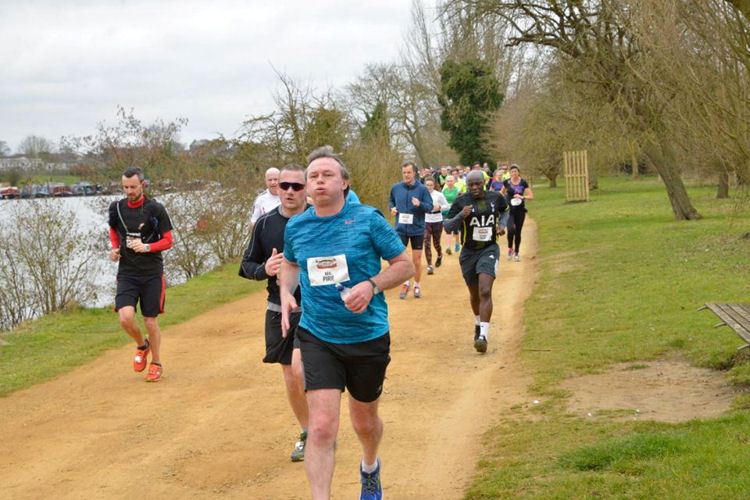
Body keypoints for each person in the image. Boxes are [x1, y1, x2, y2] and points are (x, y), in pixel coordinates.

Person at [279, 146, 414, 500]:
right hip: (318, 335)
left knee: (364, 422)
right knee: (322, 427)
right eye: (313, 177)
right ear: (306, 187)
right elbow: (291, 265)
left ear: (344, 182)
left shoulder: (368, 219)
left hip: (367, 335)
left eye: (327, 175)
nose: (318, 181)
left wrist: (371, 286)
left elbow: (404, 264)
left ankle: (370, 466)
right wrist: (285, 292)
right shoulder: (297, 226)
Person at [239, 164, 309, 462]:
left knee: (302, 370)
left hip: (314, 309)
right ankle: (308, 431)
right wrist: (263, 270)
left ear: (305, 188)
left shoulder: (319, 219)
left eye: (296, 186)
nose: (290, 191)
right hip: (277, 309)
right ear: (276, 188)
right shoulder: (266, 224)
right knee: (291, 378)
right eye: (284, 186)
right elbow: (245, 265)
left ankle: (321, 428)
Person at [108, 166, 173, 382]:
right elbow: (113, 230)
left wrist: (147, 247)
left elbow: (168, 240)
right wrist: (115, 249)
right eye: (125, 187)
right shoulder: (116, 208)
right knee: (125, 319)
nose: (129, 191)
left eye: (133, 187)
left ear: (142, 185)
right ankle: (141, 345)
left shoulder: (155, 209)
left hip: (152, 273)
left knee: (150, 321)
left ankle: (156, 363)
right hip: (127, 272)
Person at [444, 170, 509, 353]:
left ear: (484, 183)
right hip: (468, 253)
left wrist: (502, 225)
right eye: (471, 185)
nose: (474, 188)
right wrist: (460, 216)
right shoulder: (462, 201)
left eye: (477, 184)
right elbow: (447, 226)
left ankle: (483, 336)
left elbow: (505, 211)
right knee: (474, 295)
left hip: (489, 249)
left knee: (485, 290)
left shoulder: (496, 197)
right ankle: (478, 323)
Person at [389, 161, 433, 299]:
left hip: (417, 229)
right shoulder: (396, 188)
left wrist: (420, 204)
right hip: (401, 228)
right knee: (402, 260)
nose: (406, 175)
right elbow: (391, 201)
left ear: (414, 173)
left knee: (416, 260)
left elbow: (429, 207)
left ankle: (417, 286)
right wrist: (393, 208)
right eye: (404, 173)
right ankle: (406, 283)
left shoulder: (422, 189)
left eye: (409, 172)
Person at [501, 164, 534, 262]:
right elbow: (501, 193)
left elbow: (531, 196)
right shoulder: (506, 183)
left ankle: (516, 253)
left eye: (515, 171)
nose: (514, 173)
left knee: (518, 232)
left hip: (520, 210)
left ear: (518, 172)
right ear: (510, 173)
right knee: (511, 230)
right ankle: (510, 248)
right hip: (510, 210)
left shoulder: (523, 183)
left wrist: (522, 197)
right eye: (512, 172)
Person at [423, 178, 449, 275]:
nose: (429, 187)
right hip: (426, 220)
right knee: (426, 242)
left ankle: (439, 255)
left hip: (437, 220)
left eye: (431, 185)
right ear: (425, 185)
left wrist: (440, 207)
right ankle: (429, 265)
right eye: (427, 185)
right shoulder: (422, 195)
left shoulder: (439, 195)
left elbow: (447, 205)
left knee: (436, 243)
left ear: (434, 185)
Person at [442, 174, 462, 255]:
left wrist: (453, 205)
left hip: (455, 212)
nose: (450, 182)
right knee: (447, 228)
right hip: (446, 212)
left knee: (456, 229)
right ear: (446, 182)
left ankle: (457, 242)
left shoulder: (458, 190)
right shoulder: (443, 191)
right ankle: (448, 247)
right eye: (448, 181)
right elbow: (441, 201)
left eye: (451, 181)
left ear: (454, 181)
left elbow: (460, 201)